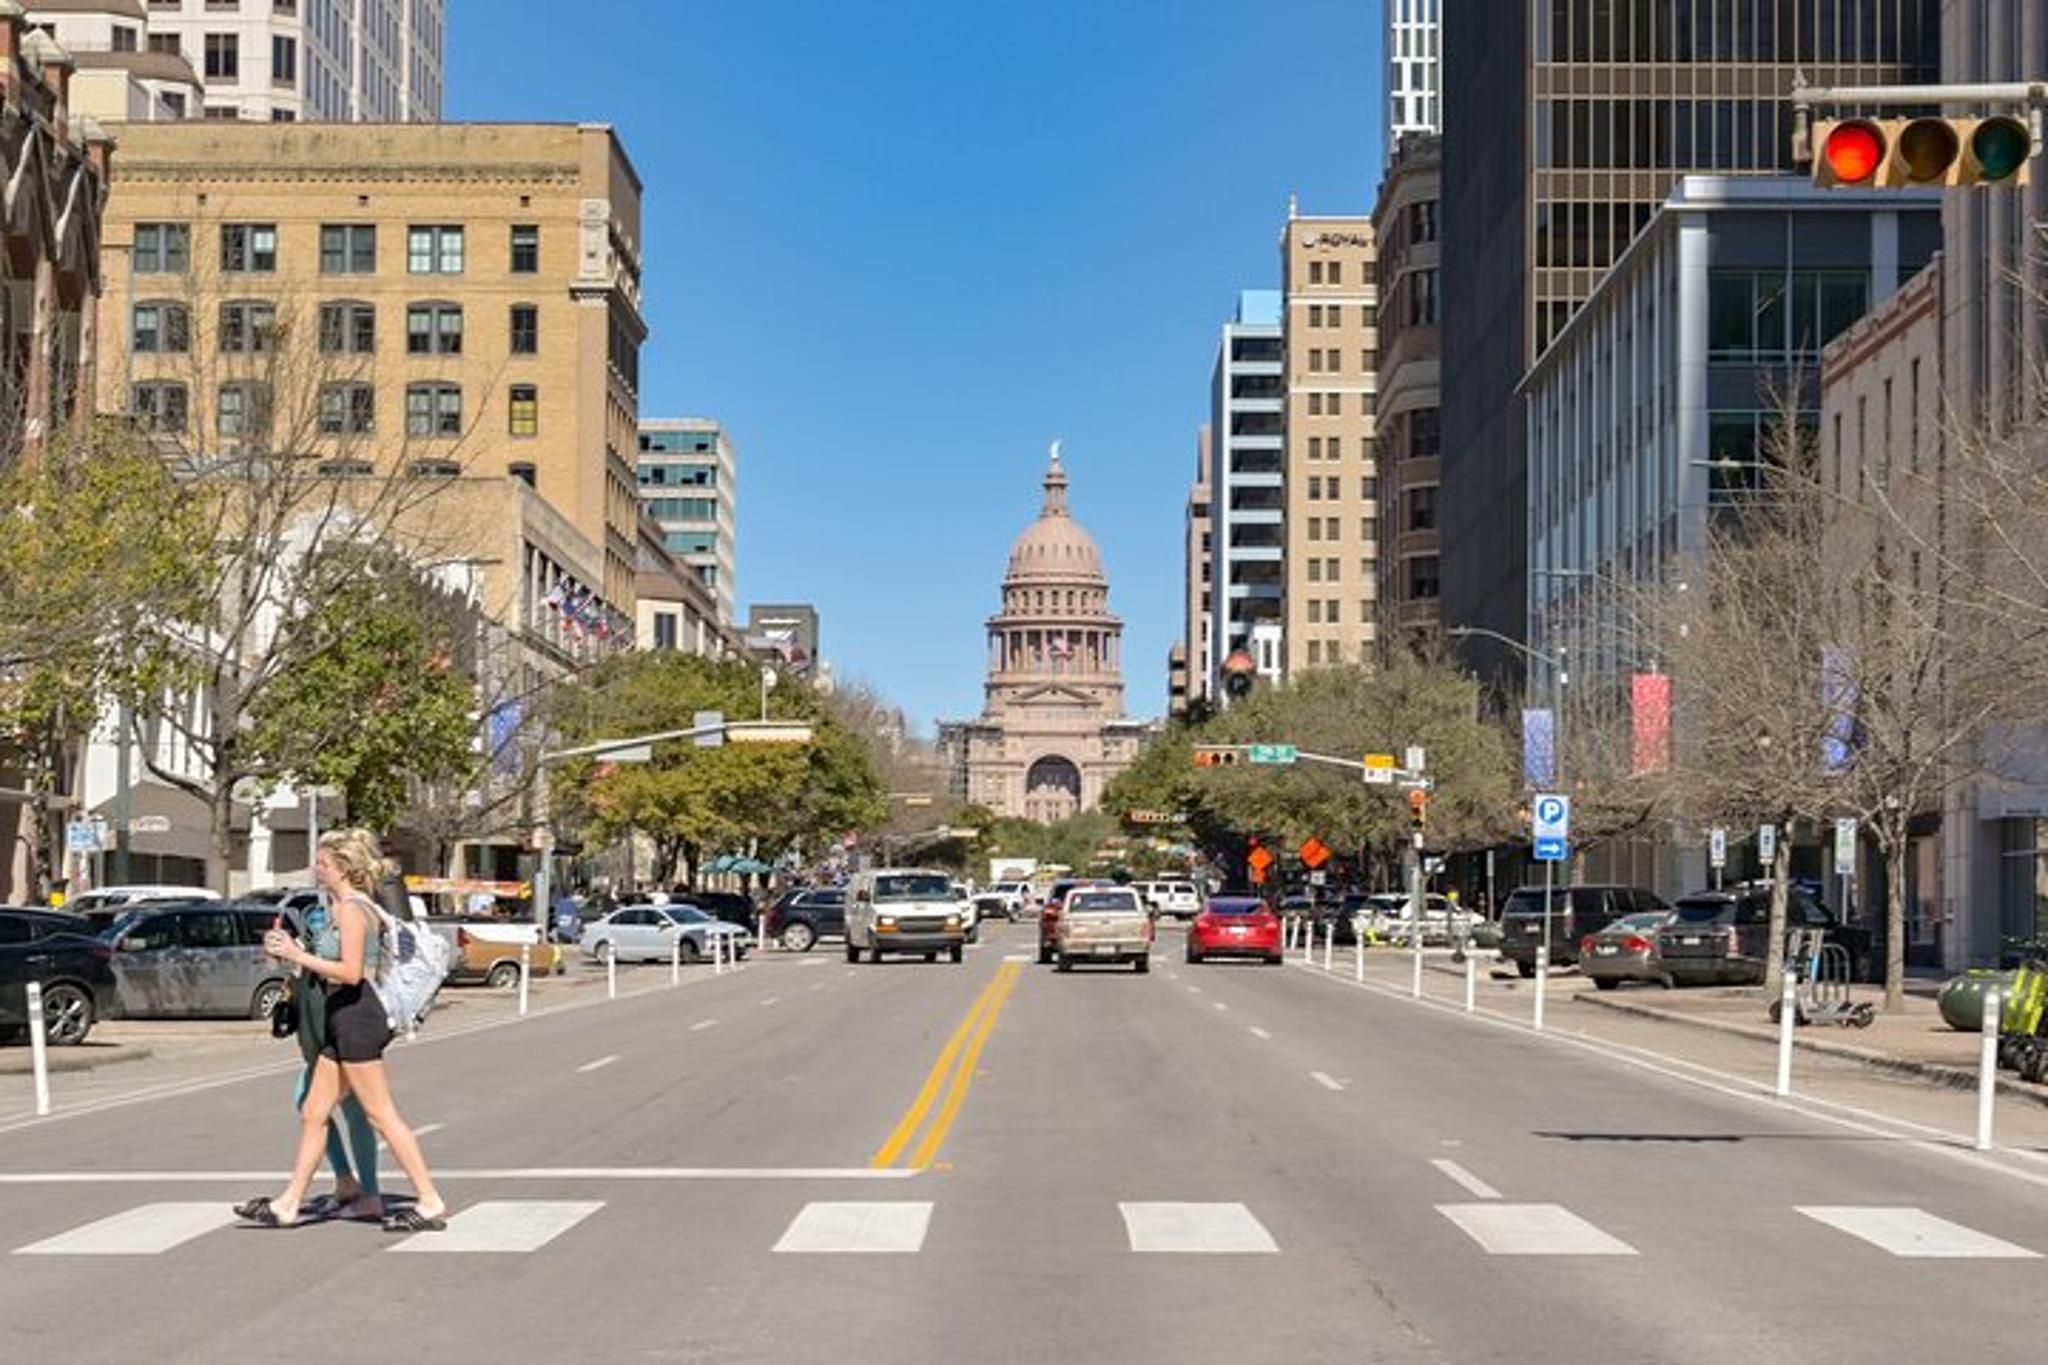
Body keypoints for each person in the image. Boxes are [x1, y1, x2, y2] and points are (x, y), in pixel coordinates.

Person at [235, 828, 448, 1232]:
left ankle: (429, 1199)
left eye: (323, 863)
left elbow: (352, 973)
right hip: (342, 1019)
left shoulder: (354, 909)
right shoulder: (341, 907)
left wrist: (298, 955)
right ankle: (289, 1203)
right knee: (314, 1111)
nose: (317, 869)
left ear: (344, 869)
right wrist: (293, 954)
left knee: (381, 1115)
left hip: (357, 1019)